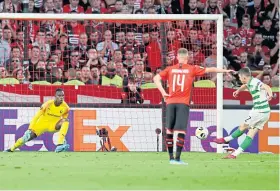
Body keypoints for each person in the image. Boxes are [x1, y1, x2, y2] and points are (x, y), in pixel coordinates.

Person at [153, 48, 233, 165]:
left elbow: (156, 78)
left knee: (169, 130)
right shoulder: (192, 69)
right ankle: (178, 159)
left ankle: (171, 159)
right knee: (181, 131)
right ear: (187, 58)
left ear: (177, 57)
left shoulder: (170, 69)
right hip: (183, 103)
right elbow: (210, 69)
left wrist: (163, 92)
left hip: (170, 102)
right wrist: (225, 71)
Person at [214, 67, 272, 159]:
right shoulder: (251, 81)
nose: (240, 79)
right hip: (265, 113)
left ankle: (225, 140)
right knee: (251, 133)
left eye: (240, 78)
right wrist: (238, 91)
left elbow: (266, 86)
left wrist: (270, 94)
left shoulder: (255, 82)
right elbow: (245, 86)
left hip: (259, 111)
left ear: (243, 77)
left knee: (243, 126)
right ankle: (235, 154)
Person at [4, 88, 70, 153]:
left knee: (66, 121)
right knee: (26, 138)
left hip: (53, 126)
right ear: (55, 96)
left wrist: (62, 134)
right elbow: (36, 117)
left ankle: (60, 144)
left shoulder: (66, 107)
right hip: (41, 125)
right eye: (59, 95)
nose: (61, 97)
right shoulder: (47, 104)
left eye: (62, 96)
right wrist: (30, 129)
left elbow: (64, 119)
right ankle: (12, 148)